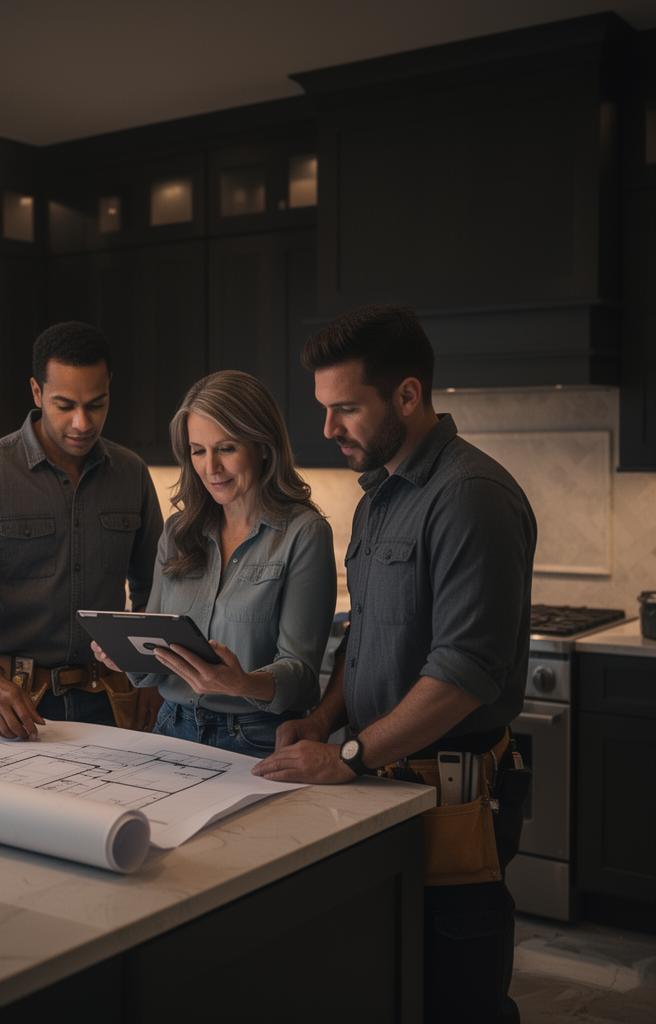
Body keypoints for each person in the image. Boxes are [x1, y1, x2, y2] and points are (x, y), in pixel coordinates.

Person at [253, 305, 536, 1024]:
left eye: (345, 408)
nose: (327, 429)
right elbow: (368, 636)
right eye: (323, 409)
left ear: (407, 396)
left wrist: (345, 754)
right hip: (382, 789)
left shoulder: (471, 498)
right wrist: (321, 719)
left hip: (451, 802)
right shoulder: (381, 496)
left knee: (456, 1000)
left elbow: (465, 674)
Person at [0, 321, 164, 739]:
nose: (82, 422)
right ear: (36, 392)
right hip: (7, 703)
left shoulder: (131, 474)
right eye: (64, 405)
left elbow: (156, 590)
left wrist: (153, 676)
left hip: (110, 699)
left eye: (97, 404)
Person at [92, 370, 336, 757]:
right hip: (172, 728)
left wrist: (241, 683)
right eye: (198, 450)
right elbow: (155, 664)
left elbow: (301, 677)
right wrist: (123, 656)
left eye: (226, 448)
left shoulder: (303, 534)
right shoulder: (178, 531)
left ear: (263, 446)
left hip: (257, 739)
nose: (210, 468)